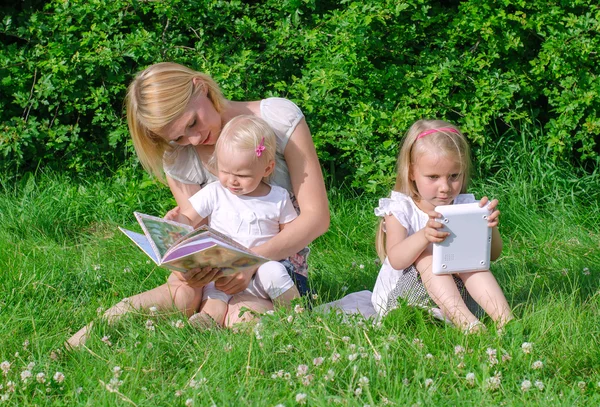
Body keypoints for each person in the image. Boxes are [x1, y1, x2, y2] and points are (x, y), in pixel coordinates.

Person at [66, 62, 329, 347]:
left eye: (192, 122)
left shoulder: (276, 118)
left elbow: (316, 217)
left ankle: (241, 320)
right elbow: (198, 232)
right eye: (177, 137)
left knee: (245, 314)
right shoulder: (179, 156)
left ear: (201, 88)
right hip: (218, 273)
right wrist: (186, 263)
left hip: (272, 265)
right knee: (181, 293)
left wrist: (251, 261)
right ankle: (77, 343)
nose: (193, 138)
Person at [371, 119, 513, 332]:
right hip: (407, 295)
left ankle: (506, 321)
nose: (445, 187)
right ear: (411, 173)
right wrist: (423, 236)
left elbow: (492, 256)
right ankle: (467, 324)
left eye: (454, 176)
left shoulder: (465, 205)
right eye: (433, 177)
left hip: (459, 293)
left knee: (470, 262)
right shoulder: (401, 209)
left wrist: (490, 228)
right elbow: (396, 260)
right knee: (426, 256)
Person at [169, 115, 301, 326]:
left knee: (274, 272)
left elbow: (292, 234)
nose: (232, 181)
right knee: (214, 296)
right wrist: (178, 219)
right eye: (225, 171)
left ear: (267, 169)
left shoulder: (278, 197)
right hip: (224, 271)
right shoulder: (215, 192)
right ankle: (207, 322)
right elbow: (189, 218)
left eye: (242, 175)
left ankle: (297, 313)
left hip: (259, 272)